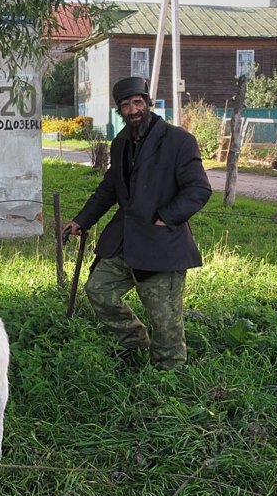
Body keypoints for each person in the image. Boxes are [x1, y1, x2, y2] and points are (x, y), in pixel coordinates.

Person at [63, 76, 212, 371]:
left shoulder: (178, 141)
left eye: (137, 102)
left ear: (148, 103)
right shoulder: (120, 144)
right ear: (120, 110)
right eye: (126, 105)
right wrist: (81, 220)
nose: (133, 110)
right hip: (125, 240)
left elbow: (199, 190)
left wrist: (166, 217)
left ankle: (169, 380)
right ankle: (134, 340)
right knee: (99, 290)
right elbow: (109, 189)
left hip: (161, 246)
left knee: (164, 317)